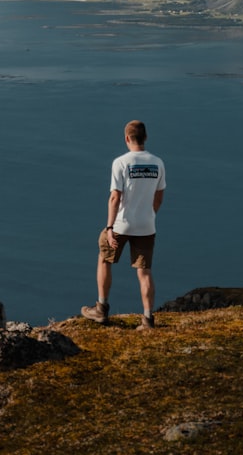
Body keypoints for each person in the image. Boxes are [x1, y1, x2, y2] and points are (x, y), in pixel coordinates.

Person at [81, 120, 166, 330]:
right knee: (144, 271)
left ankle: (101, 308)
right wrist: (149, 215)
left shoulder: (120, 162)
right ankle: (147, 319)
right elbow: (159, 197)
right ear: (145, 137)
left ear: (127, 138)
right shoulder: (158, 163)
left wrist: (110, 228)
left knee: (104, 259)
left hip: (121, 224)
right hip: (147, 225)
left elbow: (114, 197)